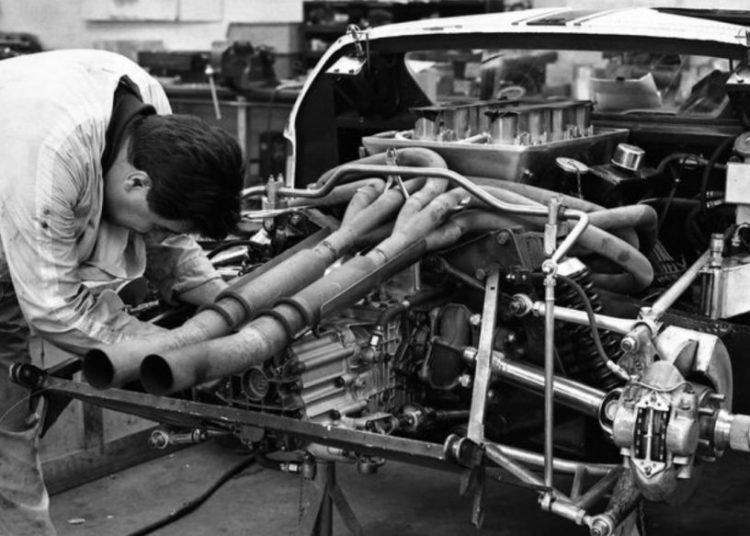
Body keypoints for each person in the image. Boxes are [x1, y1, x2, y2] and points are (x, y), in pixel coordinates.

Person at [0, 49, 244, 535]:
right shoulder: (54, 155)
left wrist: (230, 303)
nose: (155, 232)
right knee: (4, 408)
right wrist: (174, 348)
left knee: (10, 406)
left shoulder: (150, 111)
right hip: (18, 209)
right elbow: (55, 308)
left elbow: (170, 240)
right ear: (136, 182)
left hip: (16, 226)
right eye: (155, 222)